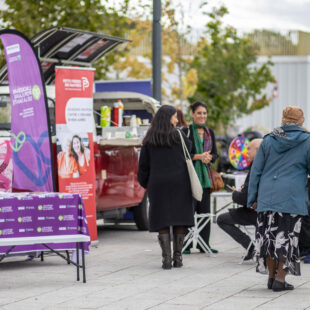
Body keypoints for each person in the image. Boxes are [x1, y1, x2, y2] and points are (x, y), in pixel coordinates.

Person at [248, 106, 310, 292]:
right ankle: (280, 280)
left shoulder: (268, 139)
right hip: (291, 197)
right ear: (301, 121)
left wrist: (252, 198)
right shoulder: (307, 140)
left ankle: (271, 278)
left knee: (269, 236)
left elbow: (256, 171)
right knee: (287, 237)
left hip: (267, 195)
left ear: (283, 119)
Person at [138, 105, 194, 270]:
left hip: (158, 184)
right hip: (180, 183)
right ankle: (178, 258)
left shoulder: (150, 138)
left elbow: (143, 166)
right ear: (168, 118)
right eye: (175, 117)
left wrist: (147, 183)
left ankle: (166, 260)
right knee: (179, 219)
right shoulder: (180, 136)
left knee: (162, 220)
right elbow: (189, 154)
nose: (177, 120)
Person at [217, 139, 262, 260]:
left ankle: (250, 247)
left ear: (257, 150)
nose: (246, 152)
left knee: (221, 219)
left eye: (249, 149)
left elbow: (245, 199)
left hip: (257, 212)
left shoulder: (256, 167)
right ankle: (254, 248)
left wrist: (235, 194)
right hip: (266, 211)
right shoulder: (268, 164)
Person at [182, 101, 218, 254]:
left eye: (204, 113)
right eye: (199, 113)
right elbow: (182, 154)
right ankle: (187, 245)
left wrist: (209, 157)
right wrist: (199, 156)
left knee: (205, 213)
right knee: (189, 213)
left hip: (205, 179)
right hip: (190, 178)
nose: (202, 116)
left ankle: (205, 245)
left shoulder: (210, 132)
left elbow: (215, 154)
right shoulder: (186, 131)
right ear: (192, 114)